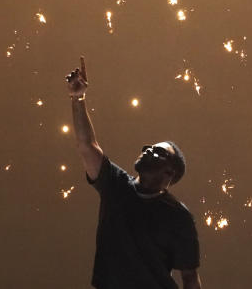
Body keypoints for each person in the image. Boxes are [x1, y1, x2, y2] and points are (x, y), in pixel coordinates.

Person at [66, 56, 203, 289]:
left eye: (157, 151)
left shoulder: (178, 217)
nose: (147, 149)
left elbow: (189, 277)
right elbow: (87, 146)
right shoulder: (116, 185)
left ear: (169, 171)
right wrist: (78, 98)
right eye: (148, 147)